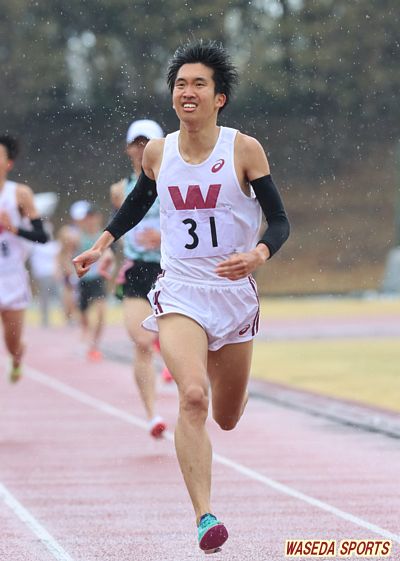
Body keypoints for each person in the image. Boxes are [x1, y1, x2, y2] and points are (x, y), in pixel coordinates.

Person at [72, 40, 290, 554]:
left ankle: (231, 388)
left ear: (219, 98)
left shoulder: (244, 150)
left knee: (226, 416)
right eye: (180, 84)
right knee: (193, 396)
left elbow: (280, 220)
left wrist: (258, 254)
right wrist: (101, 244)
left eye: (199, 84)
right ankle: (204, 516)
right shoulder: (158, 152)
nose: (187, 92)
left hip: (233, 295)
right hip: (179, 291)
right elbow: (136, 203)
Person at [107, 119, 170, 439]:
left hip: (171, 269)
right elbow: (119, 225)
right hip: (137, 270)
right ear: (128, 148)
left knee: (179, 340)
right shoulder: (120, 190)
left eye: (149, 143)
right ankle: (151, 414)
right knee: (142, 342)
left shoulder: (174, 181)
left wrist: (163, 237)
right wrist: (108, 253)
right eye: (137, 143)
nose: (142, 149)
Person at [0, 135, 49, 382]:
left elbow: (43, 236)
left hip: (12, 278)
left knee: (12, 344)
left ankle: (17, 355)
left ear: (8, 163)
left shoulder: (19, 194)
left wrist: (14, 229)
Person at [73, 200, 107, 361]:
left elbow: (110, 256)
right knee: (84, 316)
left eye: (92, 216)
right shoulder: (76, 237)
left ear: (98, 218)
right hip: (82, 280)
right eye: (87, 217)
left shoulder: (104, 236)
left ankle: (94, 345)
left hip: (98, 279)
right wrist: (66, 272)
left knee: (100, 312)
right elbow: (64, 255)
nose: (90, 220)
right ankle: (85, 337)